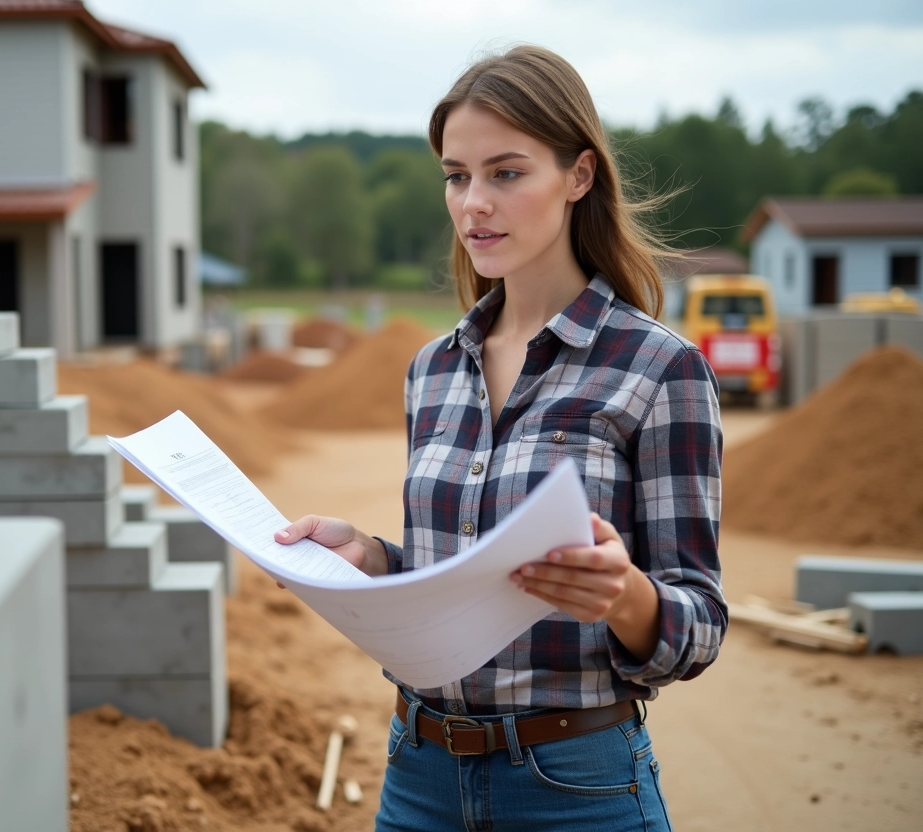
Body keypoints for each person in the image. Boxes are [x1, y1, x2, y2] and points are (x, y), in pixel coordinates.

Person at [274, 45, 725, 831]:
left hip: (575, 788)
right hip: (418, 778)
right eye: (457, 175)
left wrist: (624, 595)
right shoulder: (432, 370)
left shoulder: (661, 369)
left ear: (578, 176)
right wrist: (375, 558)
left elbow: (700, 623)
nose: (473, 202)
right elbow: (460, 577)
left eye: (506, 173)